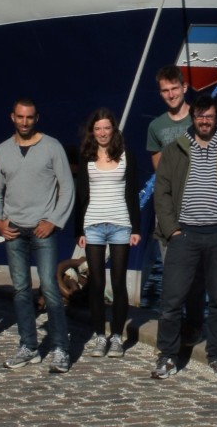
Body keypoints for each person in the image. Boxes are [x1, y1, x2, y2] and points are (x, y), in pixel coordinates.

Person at [151, 93, 217, 380]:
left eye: (210, 116)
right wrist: (172, 231)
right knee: (171, 301)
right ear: (193, 118)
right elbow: (162, 192)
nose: (205, 121)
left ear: (216, 118)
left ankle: (216, 356)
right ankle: (167, 356)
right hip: (184, 235)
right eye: (200, 116)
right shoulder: (174, 150)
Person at [0, 98, 74, 373]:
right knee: (21, 290)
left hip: (42, 229)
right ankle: (29, 346)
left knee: (49, 288)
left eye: (29, 117)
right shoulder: (2, 151)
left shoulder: (52, 147)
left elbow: (67, 187)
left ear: (36, 118)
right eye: (20, 117)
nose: (24, 122)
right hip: (13, 230)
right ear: (11, 117)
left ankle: (61, 347)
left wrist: (54, 221)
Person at [74, 108, 141, 358]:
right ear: (93, 131)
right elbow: (80, 194)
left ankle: (116, 337)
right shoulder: (86, 156)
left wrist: (136, 228)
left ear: (113, 131)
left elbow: (132, 193)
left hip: (120, 225)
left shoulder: (126, 156)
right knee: (97, 284)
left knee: (119, 282)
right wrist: (78, 229)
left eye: (107, 128)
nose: (102, 133)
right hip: (93, 225)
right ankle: (100, 336)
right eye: (98, 128)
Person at [145, 64, 203, 343]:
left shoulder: (202, 118)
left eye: (174, 88)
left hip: (201, 208)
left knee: (198, 272)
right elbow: (160, 173)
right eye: (165, 90)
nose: (170, 94)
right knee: (172, 272)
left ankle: (194, 325)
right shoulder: (156, 126)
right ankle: (172, 329)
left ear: (184, 88)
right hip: (169, 210)